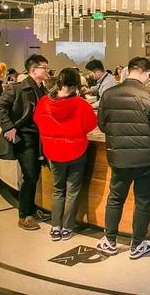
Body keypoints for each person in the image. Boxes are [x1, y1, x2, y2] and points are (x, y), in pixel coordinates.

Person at [96, 57, 150, 259]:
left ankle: (110, 241)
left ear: (129, 70)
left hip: (119, 158)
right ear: (146, 73)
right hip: (148, 158)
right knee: (143, 202)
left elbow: (102, 125)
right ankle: (137, 244)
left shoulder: (108, 94)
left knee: (115, 199)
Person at [33, 68, 97, 241]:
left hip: (53, 152)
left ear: (59, 82)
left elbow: (38, 120)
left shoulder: (44, 102)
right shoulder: (81, 104)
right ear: (76, 84)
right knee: (72, 191)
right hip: (76, 151)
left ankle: (55, 226)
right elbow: (90, 125)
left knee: (58, 190)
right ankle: (67, 227)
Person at [0, 54, 49, 230]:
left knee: (34, 174)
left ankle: (31, 208)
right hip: (24, 138)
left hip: (39, 138)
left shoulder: (42, 88)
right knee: (30, 175)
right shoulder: (16, 88)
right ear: (33, 70)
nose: (47, 71)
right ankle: (24, 215)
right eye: (44, 68)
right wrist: (8, 127)